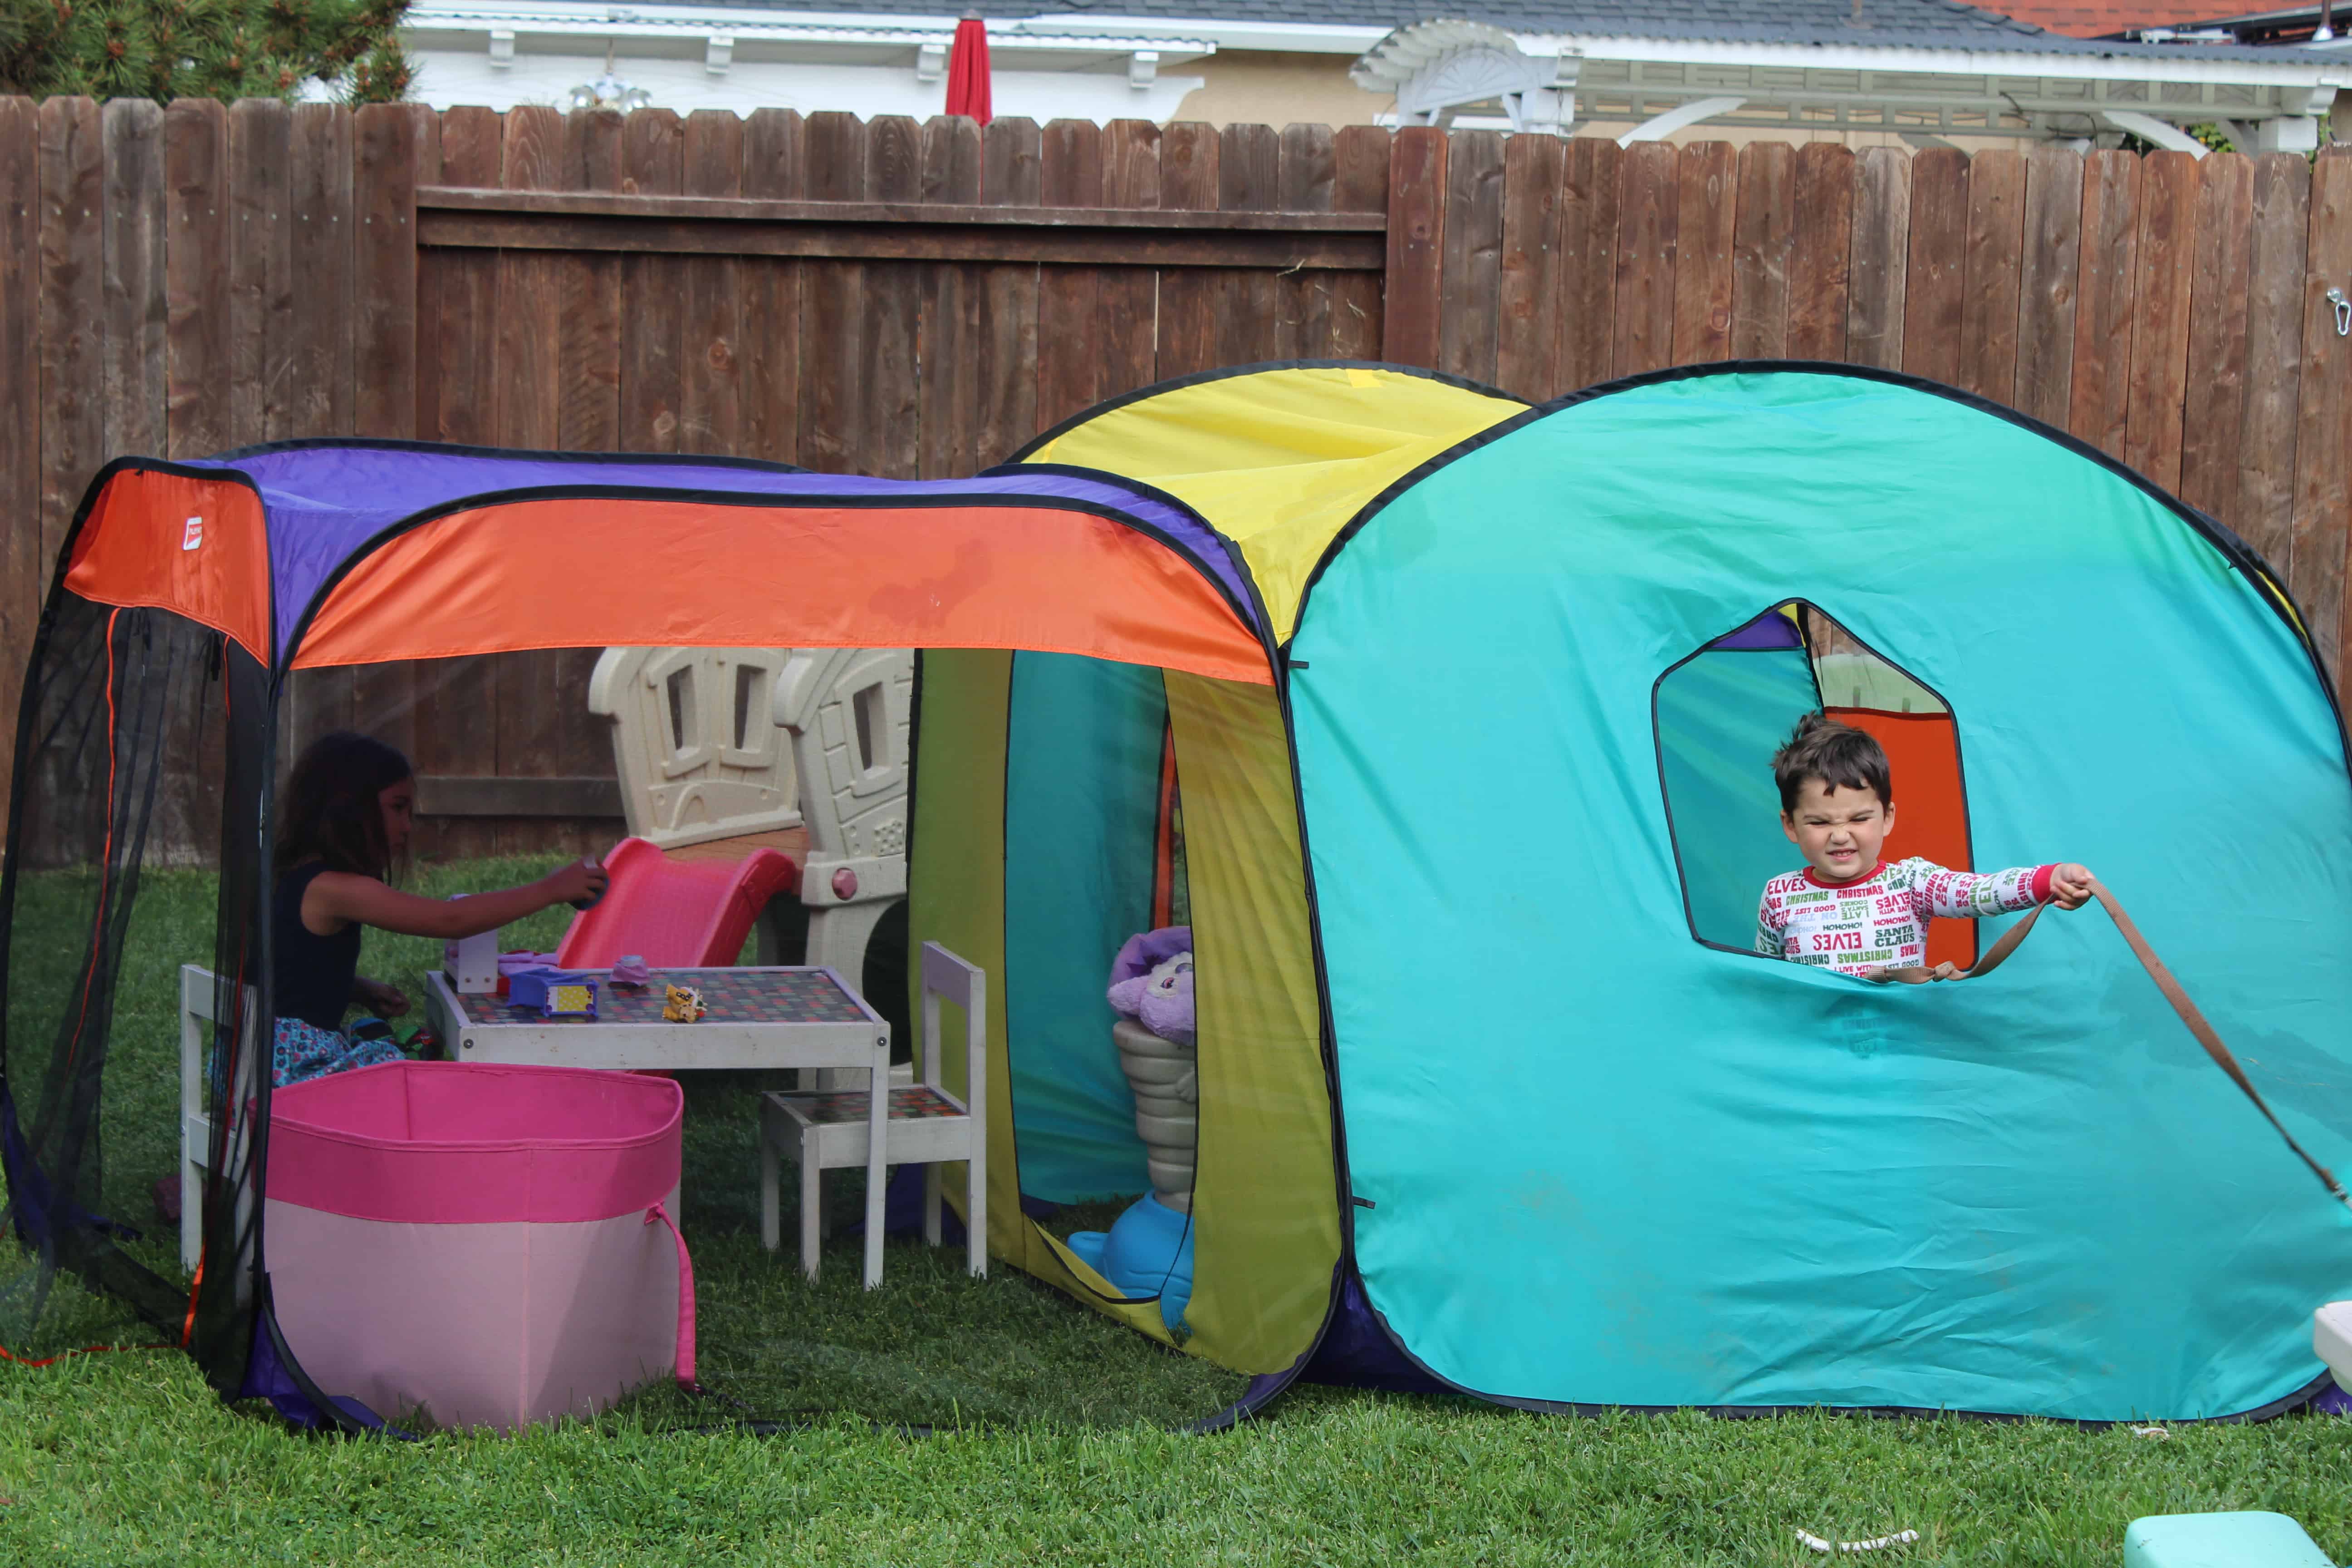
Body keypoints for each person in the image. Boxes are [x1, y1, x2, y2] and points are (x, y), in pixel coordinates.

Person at [271, 731, 608, 1086]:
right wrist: (550, 889)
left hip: (270, 1061)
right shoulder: (332, 888)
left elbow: (290, 971)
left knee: (393, 1044)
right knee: (413, 1072)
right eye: (398, 807)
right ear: (348, 806)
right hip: (292, 1077)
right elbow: (452, 919)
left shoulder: (294, 875)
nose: (407, 825)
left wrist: (359, 989)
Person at [1754, 712, 2093, 982]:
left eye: (1859, 819)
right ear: (1791, 826)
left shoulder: (1911, 882)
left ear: (1887, 817)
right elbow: (1768, 979)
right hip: (1819, 1048)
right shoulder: (1779, 895)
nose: (1840, 835)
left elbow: (1978, 892)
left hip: (1900, 1045)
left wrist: (2050, 880)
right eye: (1820, 823)